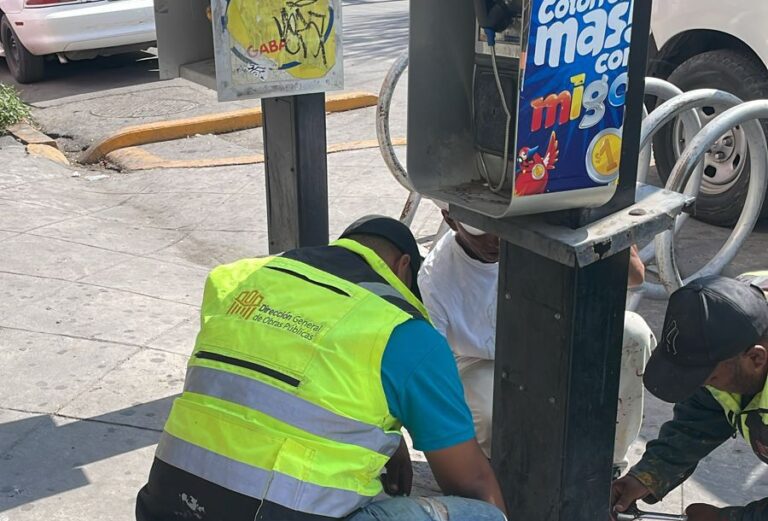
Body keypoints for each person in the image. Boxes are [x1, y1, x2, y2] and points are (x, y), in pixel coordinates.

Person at [135, 215, 507, 521]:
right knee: (484, 517)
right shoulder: (404, 331)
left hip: (166, 507)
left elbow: (277, 381)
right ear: (403, 267)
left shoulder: (237, 281)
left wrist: (388, 441)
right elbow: (470, 480)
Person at [418, 209, 656, 475]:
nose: (494, 239)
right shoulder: (434, 277)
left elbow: (636, 277)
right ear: (450, 220)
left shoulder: (535, 231)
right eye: (480, 230)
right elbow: (434, 370)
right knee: (488, 408)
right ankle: (498, 474)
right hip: (483, 360)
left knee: (632, 334)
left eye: (500, 226)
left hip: (551, 337)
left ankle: (606, 467)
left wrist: (603, 222)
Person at [611, 275, 768, 521]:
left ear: (756, 359)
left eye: (709, 377)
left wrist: (731, 519)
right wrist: (649, 475)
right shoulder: (725, 322)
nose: (703, 385)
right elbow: (700, 420)